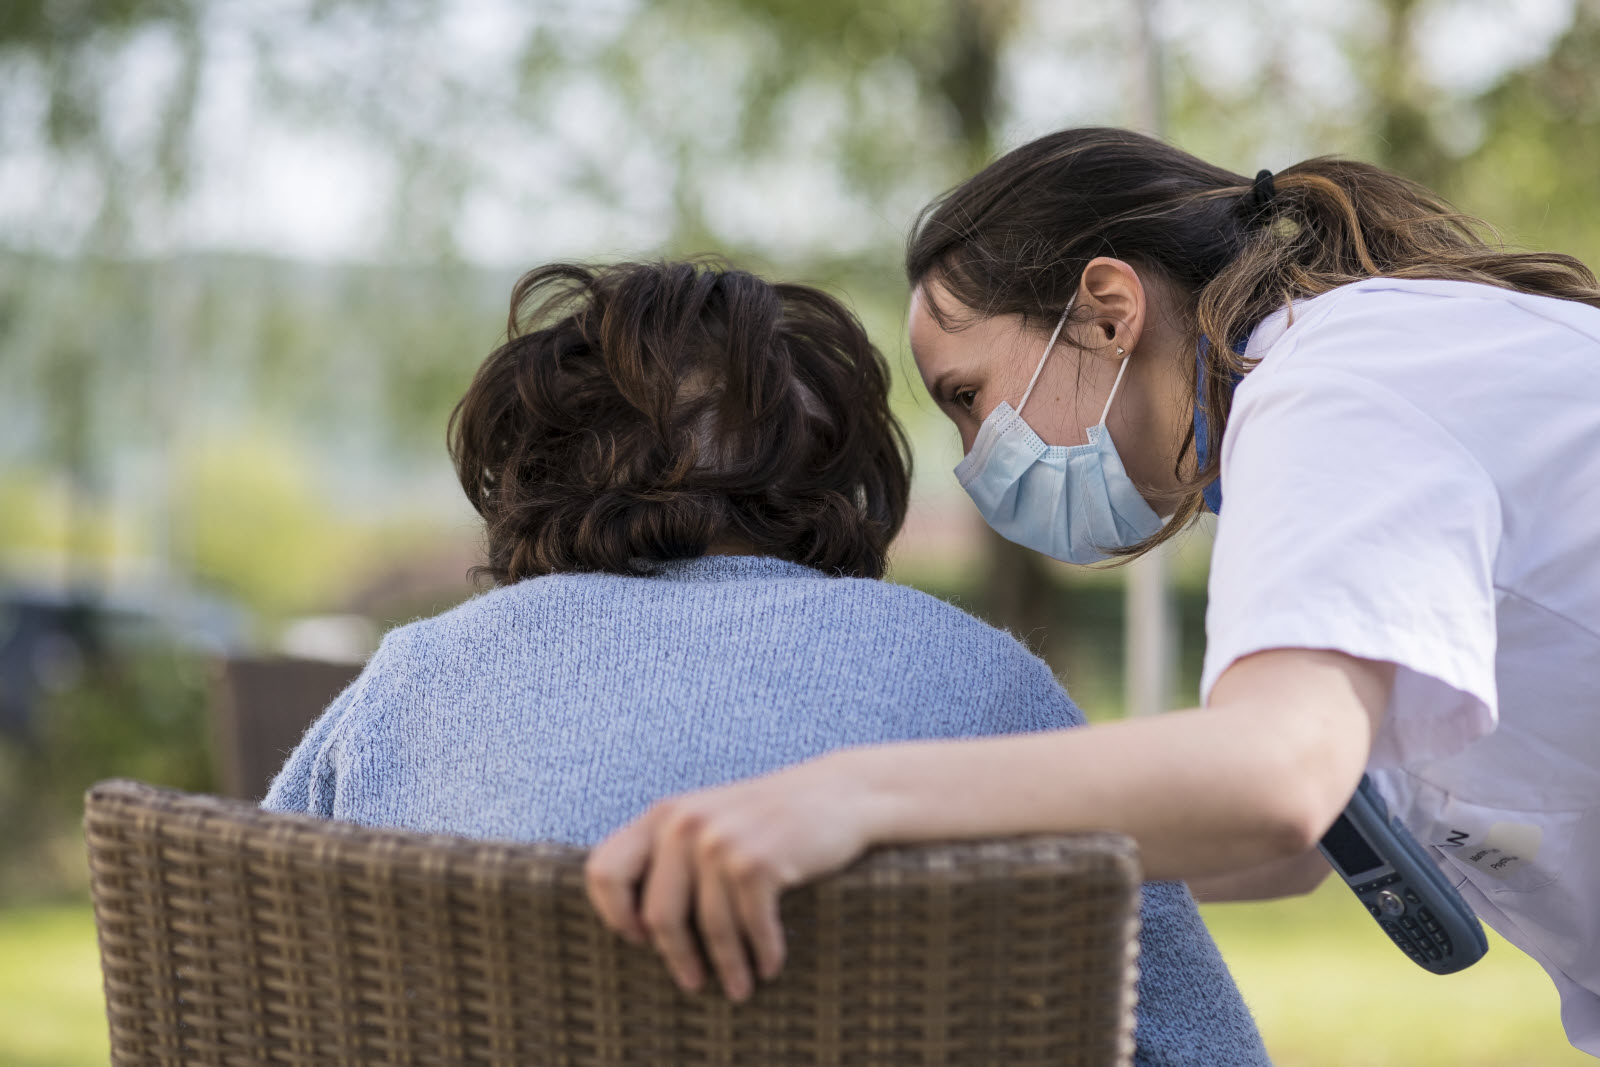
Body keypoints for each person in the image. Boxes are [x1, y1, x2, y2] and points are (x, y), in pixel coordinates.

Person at [584, 128, 1600, 1056]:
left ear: (1107, 312)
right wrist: (897, 877)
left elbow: (1277, 777)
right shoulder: (1341, 392)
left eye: (968, 397)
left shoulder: (1337, 390)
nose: (975, 458)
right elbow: (1306, 834)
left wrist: (848, 797)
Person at [261, 259, 1272, 1064]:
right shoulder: (985, 680)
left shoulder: (416, 676)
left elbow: (262, 988)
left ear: (536, 464)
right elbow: (1199, 1045)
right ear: (841, 470)